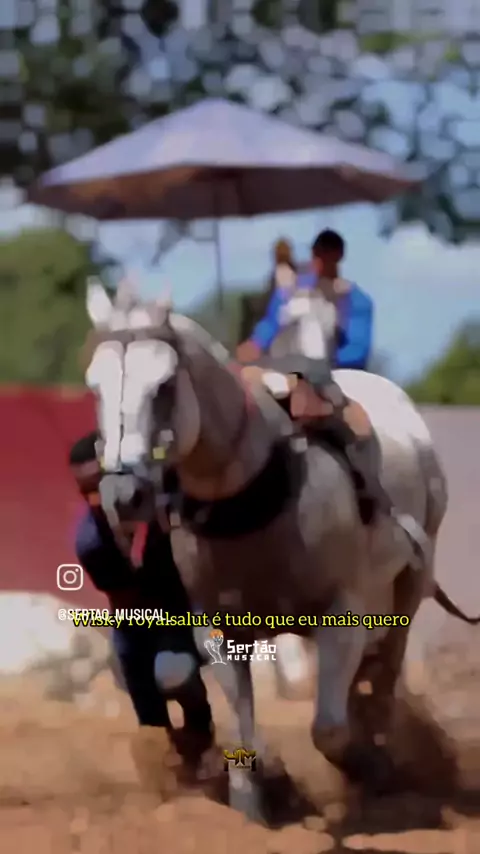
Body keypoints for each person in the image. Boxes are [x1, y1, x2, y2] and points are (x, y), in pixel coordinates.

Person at [236, 229, 424, 547]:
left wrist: (322, 367)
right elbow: (270, 327)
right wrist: (252, 346)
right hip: (281, 371)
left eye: (327, 255)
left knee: (355, 427)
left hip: (329, 374)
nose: (320, 261)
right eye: (317, 254)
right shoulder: (292, 292)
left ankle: (367, 490)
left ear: (338, 256)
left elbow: (357, 348)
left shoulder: (354, 300)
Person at [69, 431, 214, 754]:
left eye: (101, 483)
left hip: (188, 608)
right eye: (87, 490)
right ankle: (174, 769)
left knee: (175, 673)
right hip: (140, 625)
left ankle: (204, 735)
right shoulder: (91, 542)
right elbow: (128, 601)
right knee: (153, 731)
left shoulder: (169, 502)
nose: (98, 498)